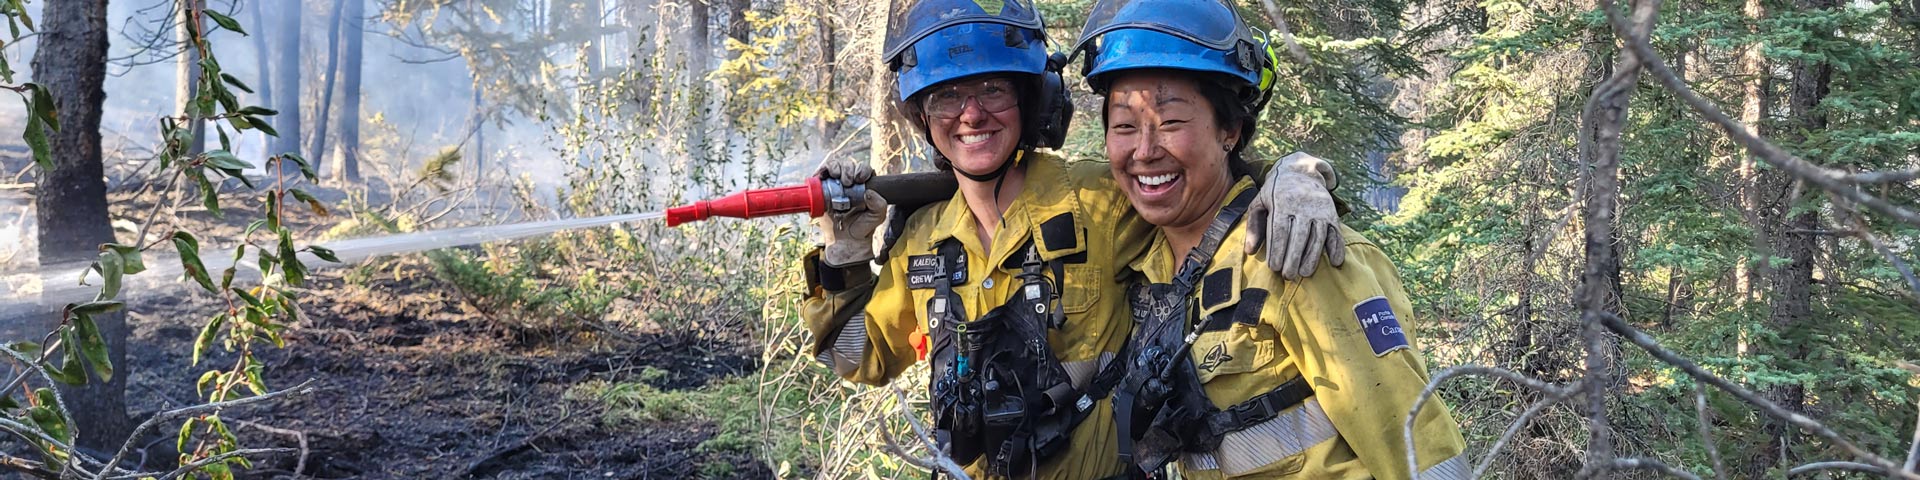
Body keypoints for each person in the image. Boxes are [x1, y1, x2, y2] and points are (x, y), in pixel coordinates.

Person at [798, 0, 1342, 477]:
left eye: (992, 88)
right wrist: (843, 258)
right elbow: (858, 360)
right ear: (921, 114)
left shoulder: (1097, 201)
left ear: (1032, 99)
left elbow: (1202, 185)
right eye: (945, 96)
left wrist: (1294, 173)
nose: (970, 113)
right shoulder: (924, 238)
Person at [1073, 0, 1470, 478]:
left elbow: (1418, 452)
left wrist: (1297, 173)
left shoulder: (1295, 251)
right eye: (1124, 126)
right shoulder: (1142, 258)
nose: (1144, 150)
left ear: (1231, 130)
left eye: (1172, 123)